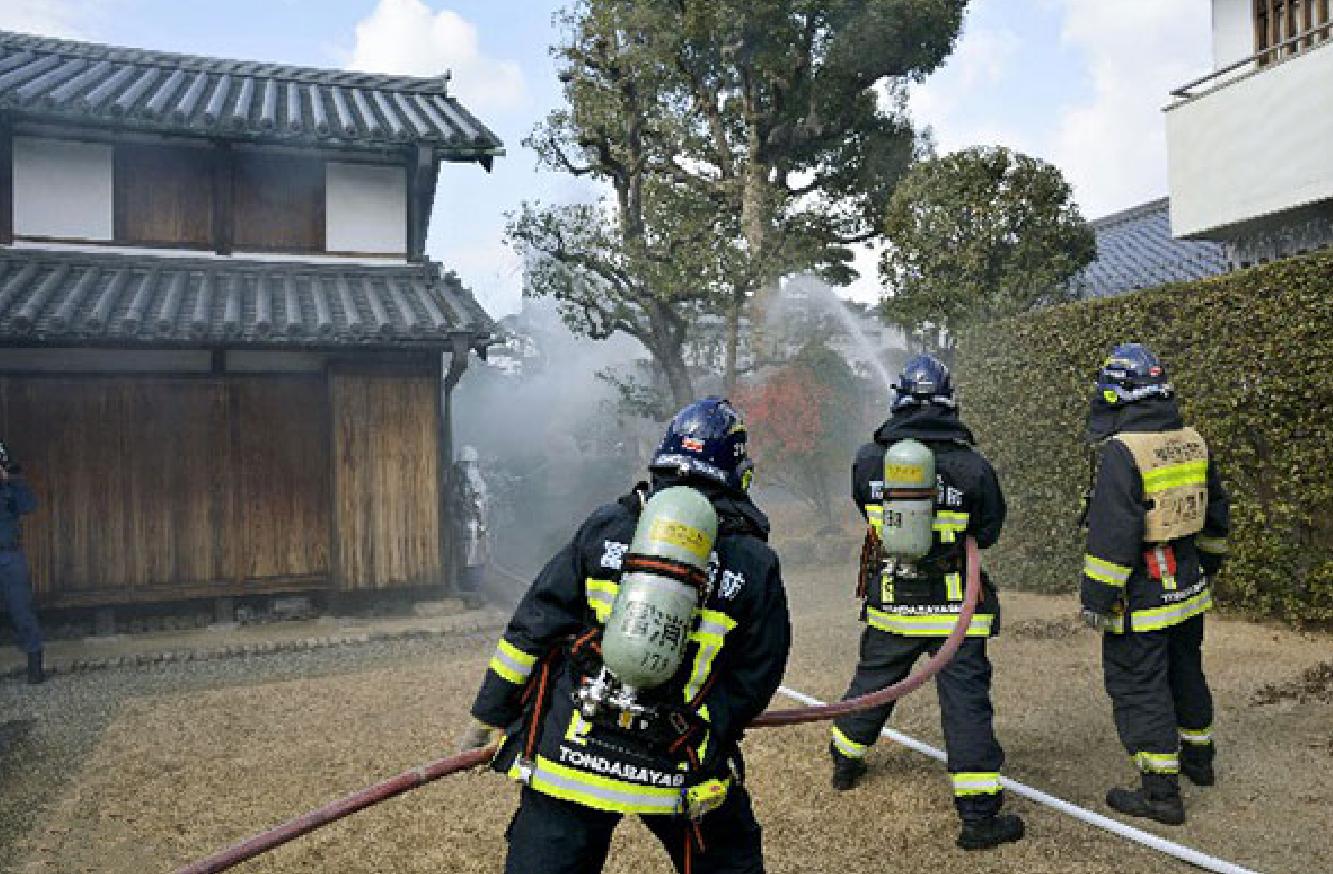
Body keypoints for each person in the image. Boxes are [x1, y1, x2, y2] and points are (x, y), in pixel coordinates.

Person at [460, 397, 791, 874]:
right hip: (680, 760)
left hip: (573, 754)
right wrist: (713, 731)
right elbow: (760, 670)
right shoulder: (753, 562)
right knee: (727, 859)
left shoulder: (607, 527)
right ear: (738, 473)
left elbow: (533, 627)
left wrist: (489, 711)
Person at [827, 354, 1024, 851]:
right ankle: (979, 818)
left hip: (892, 600)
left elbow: (866, 512)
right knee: (966, 706)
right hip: (956, 609)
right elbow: (990, 529)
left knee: (874, 682)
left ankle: (845, 762)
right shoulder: (972, 465)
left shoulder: (869, 459)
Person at [1079, 343, 1229, 825]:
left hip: (1143, 594)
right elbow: (1216, 516)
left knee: (1139, 685)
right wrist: (1205, 569)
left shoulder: (1124, 450)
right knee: (1186, 672)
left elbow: (1113, 535)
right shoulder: (1193, 439)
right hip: (1188, 588)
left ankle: (1160, 794)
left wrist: (1097, 598)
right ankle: (1200, 762)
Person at [0, 439, 44, 684]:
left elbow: (29, 506)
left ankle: (35, 664)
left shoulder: (11, 486)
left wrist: (11, 481)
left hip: (9, 554)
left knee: (21, 609)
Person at [453, 445, 490, 608]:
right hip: (467, 526)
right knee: (468, 559)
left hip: (472, 527)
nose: (468, 467)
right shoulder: (461, 481)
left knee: (473, 558)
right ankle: (469, 592)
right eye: (466, 463)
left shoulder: (472, 480)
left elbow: (481, 505)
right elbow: (478, 504)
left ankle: (472, 592)